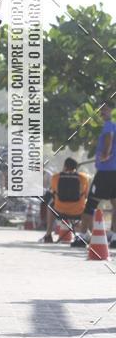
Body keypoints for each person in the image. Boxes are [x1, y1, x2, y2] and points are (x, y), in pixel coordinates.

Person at [79, 102, 116, 247]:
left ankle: (82, 236)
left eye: (105, 110)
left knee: (91, 203)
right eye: (101, 110)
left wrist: (106, 154)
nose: (102, 113)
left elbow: (109, 137)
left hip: (106, 171)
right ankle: (113, 236)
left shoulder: (108, 125)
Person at [40, 157, 89, 243]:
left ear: (64, 166)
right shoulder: (83, 178)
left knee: (50, 206)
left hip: (60, 210)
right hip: (79, 211)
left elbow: (53, 191)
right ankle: (85, 235)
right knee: (89, 207)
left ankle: (48, 234)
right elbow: (86, 195)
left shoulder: (56, 177)